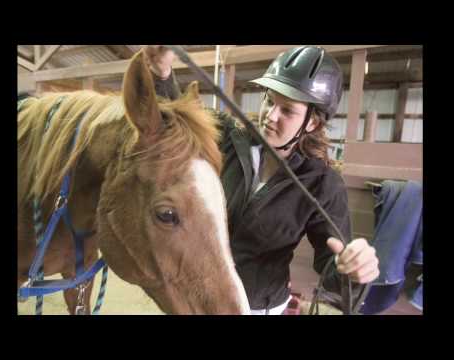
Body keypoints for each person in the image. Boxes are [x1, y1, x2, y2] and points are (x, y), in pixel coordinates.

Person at [145, 45, 380, 315]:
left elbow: (332, 265)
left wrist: (352, 272)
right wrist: (161, 74)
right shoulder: (228, 137)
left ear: (313, 123)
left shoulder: (323, 183)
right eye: (269, 101)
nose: (270, 116)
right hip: (195, 291)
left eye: (287, 110)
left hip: (254, 306)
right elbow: (180, 121)